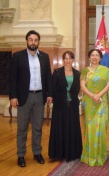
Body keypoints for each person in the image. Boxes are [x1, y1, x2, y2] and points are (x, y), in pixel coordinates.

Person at [9, 30, 52, 167]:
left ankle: (37, 152)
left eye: (35, 40)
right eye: (30, 40)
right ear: (26, 41)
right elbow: (12, 79)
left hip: (39, 96)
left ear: (38, 42)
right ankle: (21, 155)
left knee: (38, 127)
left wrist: (49, 94)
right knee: (22, 128)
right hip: (23, 97)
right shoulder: (17, 57)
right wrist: (13, 96)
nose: (33, 42)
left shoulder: (44, 57)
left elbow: (48, 78)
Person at [80, 49, 109, 166]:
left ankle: (100, 155)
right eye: (92, 55)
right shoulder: (85, 71)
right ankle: (90, 156)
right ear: (89, 57)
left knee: (101, 129)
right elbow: (83, 87)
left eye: (97, 55)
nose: (94, 57)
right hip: (89, 103)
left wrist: (99, 95)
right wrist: (93, 95)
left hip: (102, 102)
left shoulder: (106, 71)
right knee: (90, 129)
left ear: (100, 58)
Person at [48, 51, 82, 162]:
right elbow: (52, 88)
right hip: (59, 104)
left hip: (73, 104)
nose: (68, 60)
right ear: (63, 60)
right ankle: (57, 153)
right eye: (66, 58)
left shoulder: (77, 73)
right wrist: (50, 97)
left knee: (72, 128)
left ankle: (72, 153)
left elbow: (78, 89)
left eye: (70, 58)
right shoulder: (57, 72)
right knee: (59, 128)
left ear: (73, 60)